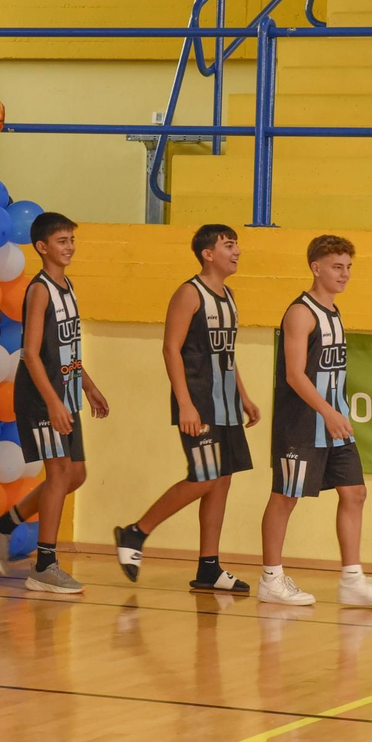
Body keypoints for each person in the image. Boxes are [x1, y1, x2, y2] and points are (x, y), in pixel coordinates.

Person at [113, 224, 257, 593]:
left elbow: (227, 354)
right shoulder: (189, 293)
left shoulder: (229, 295)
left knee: (221, 480)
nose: (237, 250)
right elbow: (170, 349)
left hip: (225, 404)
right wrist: (185, 404)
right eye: (229, 245)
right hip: (199, 402)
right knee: (205, 477)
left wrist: (243, 395)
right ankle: (136, 532)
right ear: (208, 253)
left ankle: (209, 567)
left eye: (236, 244)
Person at [259, 234, 372, 607]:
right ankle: (271, 578)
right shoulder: (301, 313)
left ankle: (352, 578)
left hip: (334, 423)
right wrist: (327, 411)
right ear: (315, 267)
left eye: (349, 267)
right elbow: (294, 374)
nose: (345, 274)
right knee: (285, 497)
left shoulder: (334, 312)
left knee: (355, 493)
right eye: (338, 267)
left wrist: (337, 413)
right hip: (303, 423)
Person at [0, 212, 109, 593]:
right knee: (60, 473)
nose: (70, 247)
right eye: (62, 241)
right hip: (41, 397)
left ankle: (3, 524)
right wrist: (52, 402)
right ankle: (45, 564)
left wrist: (87, 386)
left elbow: (67, 349)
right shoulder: (39, 290)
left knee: (75, 474)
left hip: (65, 392)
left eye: (72, 240)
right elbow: (31, 354)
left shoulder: (67, 287)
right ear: (42, 247)